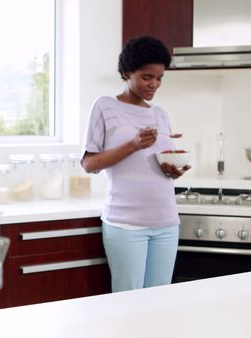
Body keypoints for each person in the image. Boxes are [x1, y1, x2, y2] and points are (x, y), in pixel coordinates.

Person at [80, 36, 191, 292]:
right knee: (128, 301)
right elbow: (89, 164)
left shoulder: (160, 114)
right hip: (125, 223)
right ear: (127, 72)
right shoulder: (105, 107)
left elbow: (160, 168)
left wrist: (175, 168)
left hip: (166, 222)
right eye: (147, 77)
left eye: (159, 78)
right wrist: (133, 144)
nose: (154, 84)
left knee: (159, 300)